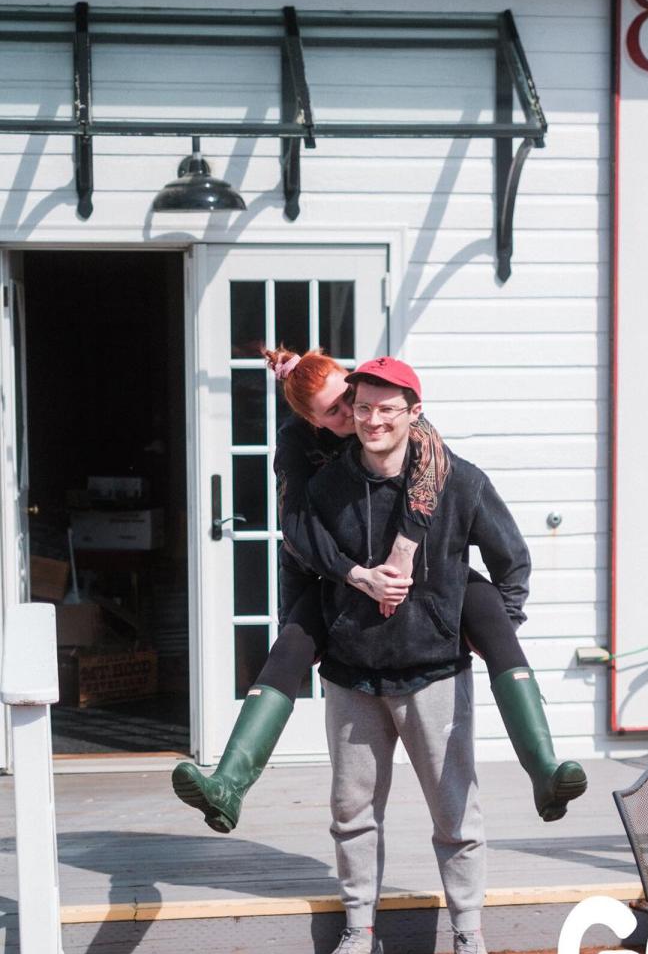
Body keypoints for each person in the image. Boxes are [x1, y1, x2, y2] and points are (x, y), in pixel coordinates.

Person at [171, 350, 586, 833]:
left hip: (424, 575)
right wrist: (354, 576)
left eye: (350, 397)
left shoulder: (411, 425)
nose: (353, 413)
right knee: (289, 647)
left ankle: (545, 770)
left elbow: (432, 484)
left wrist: (404, 554)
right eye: (335, 411)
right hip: (338, 577)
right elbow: (299, 532)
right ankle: (228, 784)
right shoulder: (300, 450)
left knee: (491, 614)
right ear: (311, 421)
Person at [297, 357, 529, 954]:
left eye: (387, 409)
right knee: (352, 813)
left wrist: (483, 632)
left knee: (456, 815)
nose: (372, 420)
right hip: (352, 676)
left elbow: (511, 561)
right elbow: (307, 561)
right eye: (363, 407)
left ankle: (469, 936)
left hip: (434, 676)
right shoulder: (327, 485)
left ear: (413, 413)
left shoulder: (460, 484)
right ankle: (358, 934)